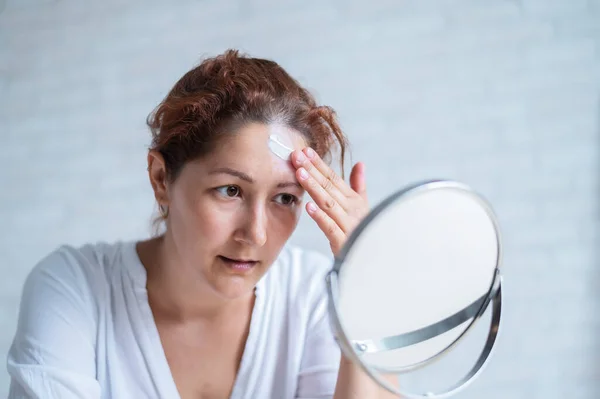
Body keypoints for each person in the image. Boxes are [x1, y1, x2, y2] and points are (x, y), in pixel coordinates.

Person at [6, 49, 396, 399]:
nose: (256, 234)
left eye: (284, 198)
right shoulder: (73, 290)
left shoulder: (313, 296)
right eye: (230, 190)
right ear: (161, 178)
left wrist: (364, 294)